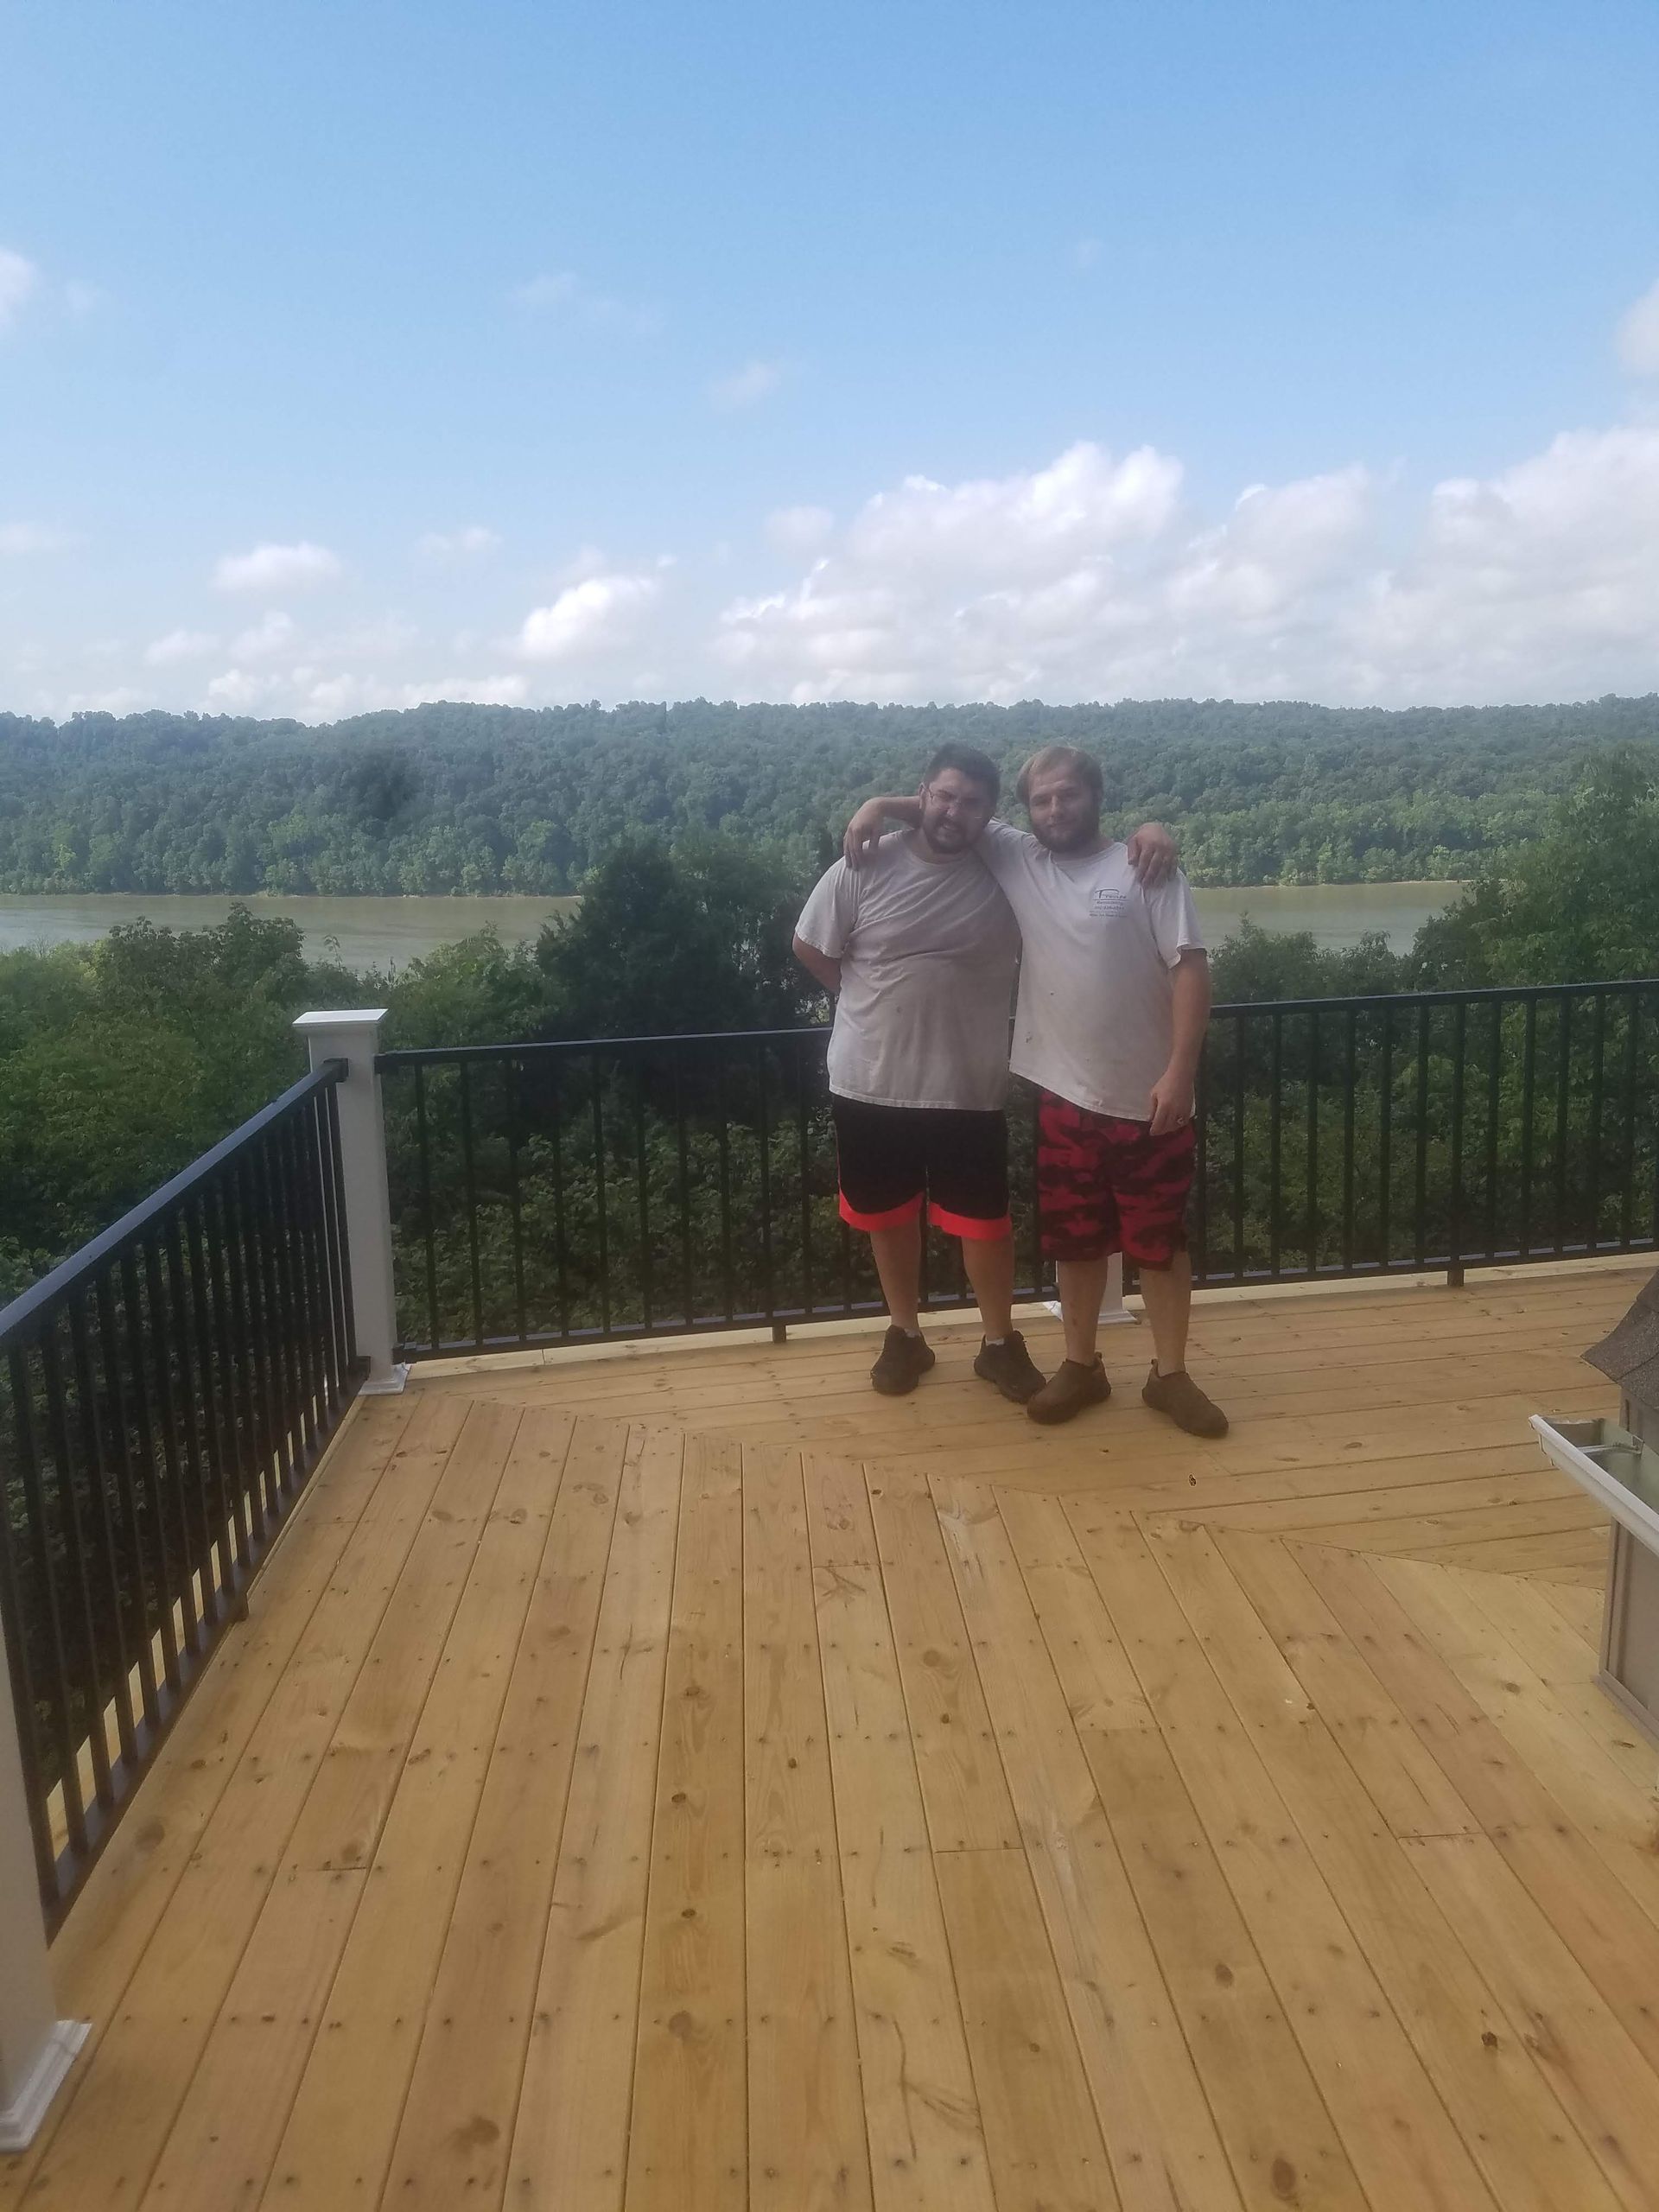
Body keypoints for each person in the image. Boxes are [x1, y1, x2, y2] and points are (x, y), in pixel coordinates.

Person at [844, 742, 1225, 1436]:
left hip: (1149, 1103)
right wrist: (878, 804)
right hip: (1061, 1097)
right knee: (1076, 1246)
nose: (1055, 809)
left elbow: (1191, 971)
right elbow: (947, 810)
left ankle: (1170, 1377)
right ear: (1028, 809)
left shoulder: (1145, 866)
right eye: (1043, 799)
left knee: (1159, 1246)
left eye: (1068, 795)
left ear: (1094, 797)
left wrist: (1180, 1072)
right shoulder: (1022, 857)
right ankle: (1082, 1367)